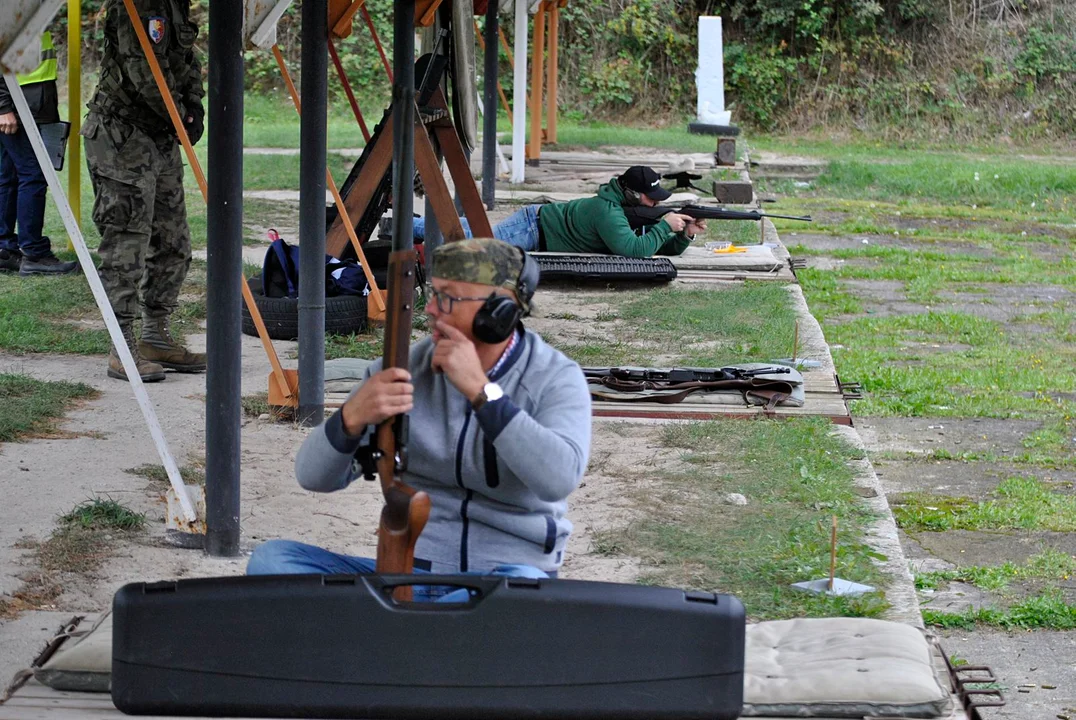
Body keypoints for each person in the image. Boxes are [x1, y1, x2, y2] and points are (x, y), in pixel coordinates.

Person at [248, 238, 592, 597]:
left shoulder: (555, 377)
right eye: (432, 293)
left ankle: (402, 635)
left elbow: (558, 478)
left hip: (504, 579)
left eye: (447, 298)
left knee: (516, 596)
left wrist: (482, 392)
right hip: (409, 575)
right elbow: (312, 476)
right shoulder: (402, 368)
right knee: (272, 562)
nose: (429, 308)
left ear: (499, 314)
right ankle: (423, 635)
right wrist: (350, 418)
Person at [82, 0, 206, 382]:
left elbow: (187, 59)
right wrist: (176, 112)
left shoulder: (177, 5)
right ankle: (122, 345)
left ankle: (156, 335)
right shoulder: (137, 4)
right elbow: (143, 69)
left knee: (174, 242)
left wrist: (193, 105)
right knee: (126, 244)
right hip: (121, 134)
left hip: (159, 135)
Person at [412, 165, 706, 258]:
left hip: (538, 228)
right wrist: (665, 225)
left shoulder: (619, 208)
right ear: (630, 193)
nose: (655, 204)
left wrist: (683, 235)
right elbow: (633, 250)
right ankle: (405, 228)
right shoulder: (607, 211)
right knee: (473, 238)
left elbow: (658, 246)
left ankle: (414, 224)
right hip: (533, 227)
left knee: (473, 230)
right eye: (649, 197)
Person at [0, 32, 79, 276]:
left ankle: (5, 250)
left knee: (9, 177)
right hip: (18, 103)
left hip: (29, 100)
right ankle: (34, 253)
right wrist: (2, 106)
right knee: (33, 175)